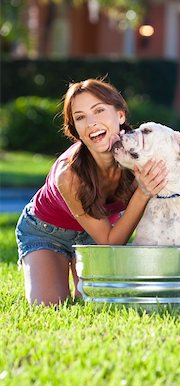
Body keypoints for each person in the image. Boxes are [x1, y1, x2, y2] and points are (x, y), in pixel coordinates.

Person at [15, 78, 167, 306]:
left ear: (121, 115)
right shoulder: (69, 175)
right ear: (74, 129)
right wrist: (143, 193)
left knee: (98, 302)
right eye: (80, 117)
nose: (91, 123)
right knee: (49, 305)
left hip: (95, 235)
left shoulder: (142, 152)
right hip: (46, 232)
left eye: (99, 111)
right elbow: (109, 243)